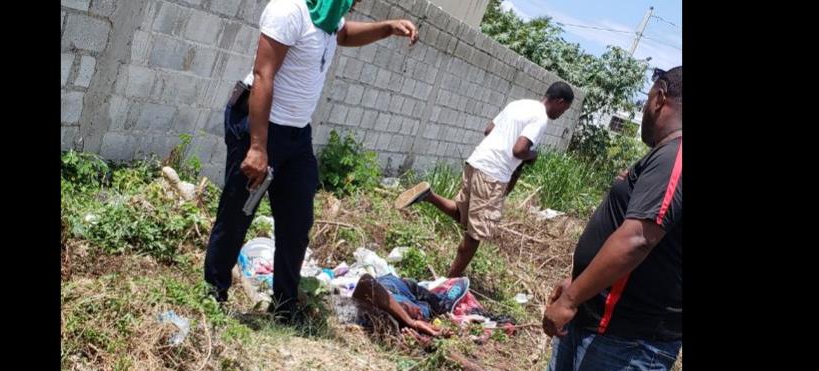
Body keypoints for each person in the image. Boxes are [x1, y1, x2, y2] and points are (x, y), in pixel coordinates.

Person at [483, 66, 682, 371]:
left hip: (626, 340)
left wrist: (572, 297)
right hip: (596, 322)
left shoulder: (677, 156)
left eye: (647, 95)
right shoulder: (664, 155)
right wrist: (577, 283)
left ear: (661, 97)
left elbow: (636, 238)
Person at [204, 0, 419, 322]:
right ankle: (214, 294)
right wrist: (258, 147)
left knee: (297, 224)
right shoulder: (289, 10)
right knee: (238, 212)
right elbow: (264, 75)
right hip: (260, 127)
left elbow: (344, 34)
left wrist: (387, 27)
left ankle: (284, 306)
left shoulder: (328, 16)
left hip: (296, 134)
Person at [394, 82, 574, 277]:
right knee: (476, 234)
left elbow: (489, 130)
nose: (561, 115)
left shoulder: (518, 104)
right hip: (493, 174)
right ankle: (450, 280)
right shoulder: (540, 118)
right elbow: (519, 150)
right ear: (559, 101)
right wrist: (533, 155)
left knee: (463, 215)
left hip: (476, 162)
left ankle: (427, 195)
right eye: (564, 109)